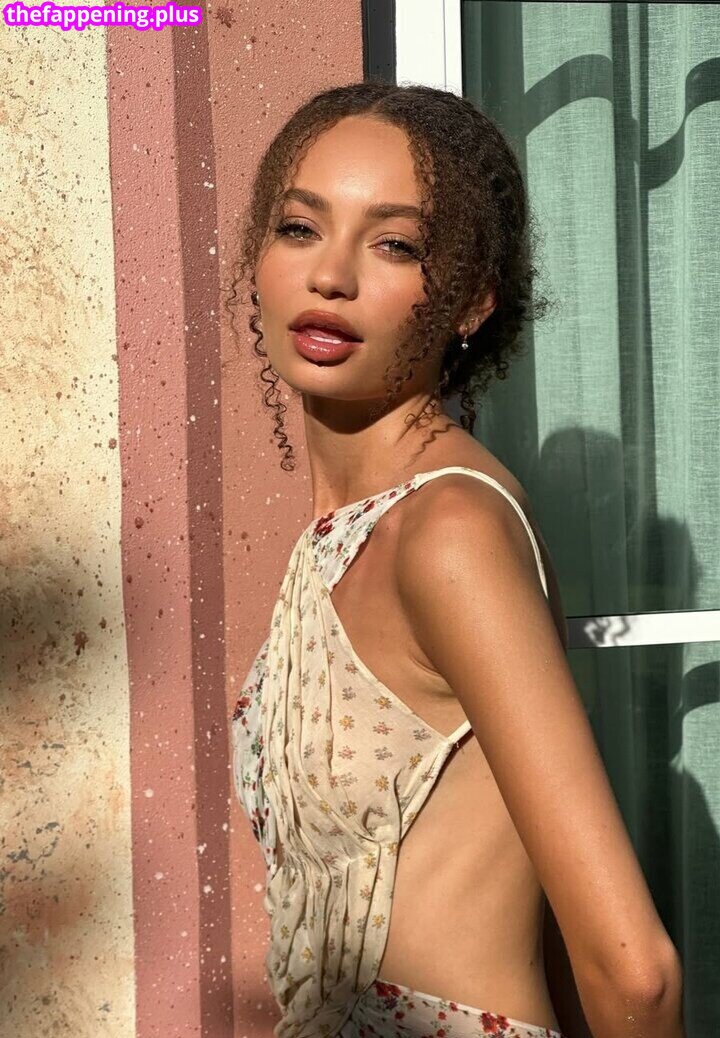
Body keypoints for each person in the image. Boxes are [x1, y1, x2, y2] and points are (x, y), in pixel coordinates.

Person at [228, 81, 685, 1038]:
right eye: (300, 227)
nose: (331, 276)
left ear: (472, 299)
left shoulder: (449, 530)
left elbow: (633, 972)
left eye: (395, 244)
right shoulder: (353, 526)